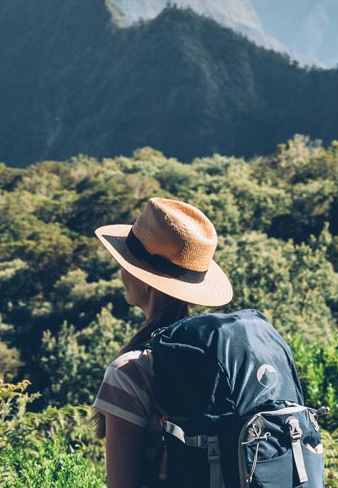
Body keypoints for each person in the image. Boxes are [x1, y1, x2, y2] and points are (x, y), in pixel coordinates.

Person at [92, 197, 234, 488]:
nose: (120, 273)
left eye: (125, 264)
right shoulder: (223, 359)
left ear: (146, 281)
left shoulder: (130, 371)